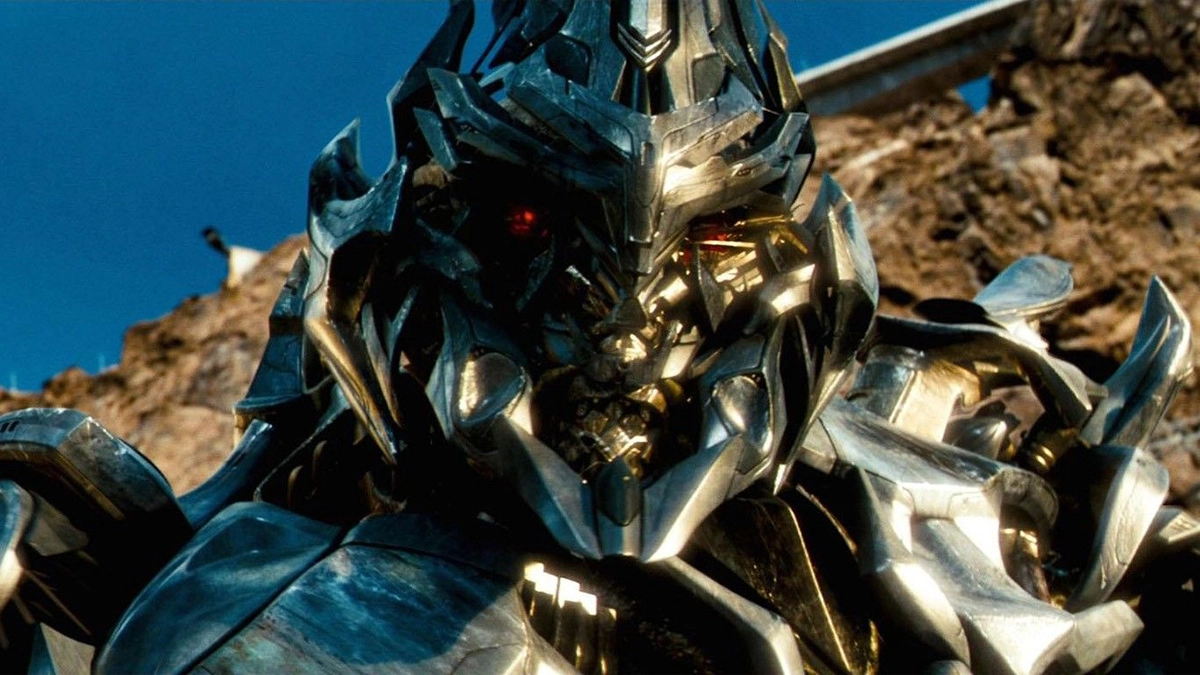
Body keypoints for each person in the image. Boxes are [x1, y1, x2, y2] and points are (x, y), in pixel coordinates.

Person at [0, 1, 1192, 672]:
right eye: (530, 225)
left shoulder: (923, 493)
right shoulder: (271, 554)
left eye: (711, 247)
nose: (623, 319)